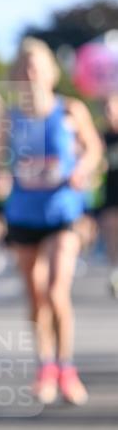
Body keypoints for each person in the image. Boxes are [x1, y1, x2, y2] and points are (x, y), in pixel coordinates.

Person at [0, 39, 103, 406]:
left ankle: (67, 367)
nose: (31, 74)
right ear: (17, 75)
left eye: (37, 66)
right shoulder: (9, 117)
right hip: (24, 213)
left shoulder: (70, 109)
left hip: (62, 212)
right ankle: (45, 367)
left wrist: (82, 169)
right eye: (24, 68)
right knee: (35, 294)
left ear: (52, 72)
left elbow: (93, 150)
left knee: (57, 290)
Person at [100, 93, 118, 297]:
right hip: (111, 191)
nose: (110, 114)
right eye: (107, 111)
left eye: (113, 109)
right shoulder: (102, 137)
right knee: (112, 232)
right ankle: (114, 271)